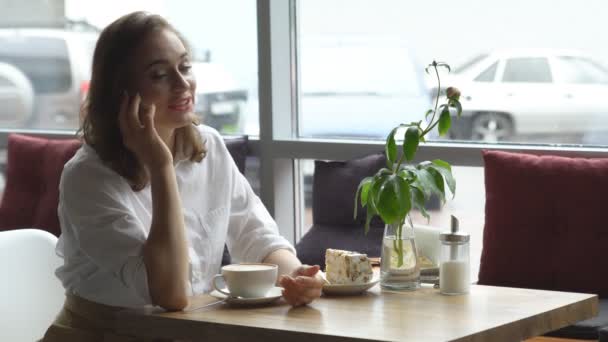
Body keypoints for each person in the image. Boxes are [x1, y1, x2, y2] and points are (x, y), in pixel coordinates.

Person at [42, 11, 323, 342]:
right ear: (121, 93)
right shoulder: (87, 177)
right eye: (160, 74)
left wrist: (296, 276)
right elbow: (170, 293)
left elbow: (255, 235)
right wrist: (161, 167)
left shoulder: (209, 145)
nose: (182, 83)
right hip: (101, 333)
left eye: (185, 67)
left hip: (188, 331)